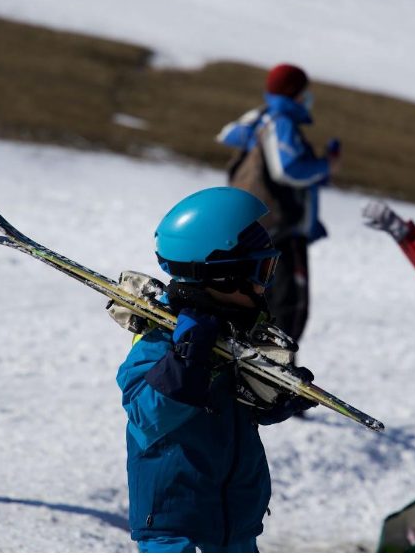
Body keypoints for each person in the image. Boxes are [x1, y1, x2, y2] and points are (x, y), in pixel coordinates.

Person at [116, 187, 316, 553]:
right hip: (175, 531)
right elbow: (147, 415)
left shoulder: (236, 336)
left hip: (235, 528)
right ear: (223, 276)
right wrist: (188, 359)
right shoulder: (160, 340)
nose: (264, 284)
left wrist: (272, 399)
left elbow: (233, 411)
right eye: (261, 270)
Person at [216, 64, 340, 346]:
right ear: (294, 92)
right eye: (304, 92)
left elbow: (227, 134)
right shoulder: (280, 121)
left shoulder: (261, 116)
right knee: (287, 307)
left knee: (257, 299)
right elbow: (288, 169)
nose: (308, 98)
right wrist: (325, 165)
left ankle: (253, 358)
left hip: (258, 230)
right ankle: (276, 366)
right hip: (282, 231)